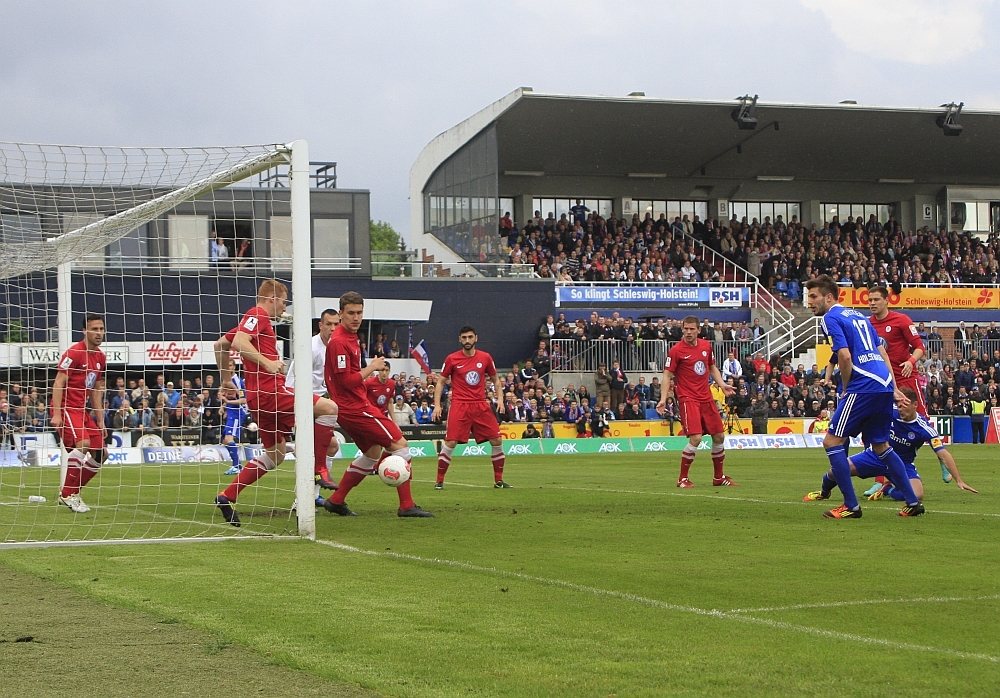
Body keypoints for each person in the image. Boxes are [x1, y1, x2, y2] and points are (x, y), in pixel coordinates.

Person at [214, 280, 340, 527]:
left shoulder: (254, 320)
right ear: (272, 298)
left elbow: (221, 345)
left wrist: (227, 379)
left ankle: (226, 496)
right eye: (283, 301)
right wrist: (267, 363)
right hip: (270, 392)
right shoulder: (258, 314)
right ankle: (319, 469)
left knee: (276, 455)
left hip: (257, 399)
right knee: (329, 408)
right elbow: (239, 342)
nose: (284, 307)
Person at [804, 275, 924, 519]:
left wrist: (847, 387)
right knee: (881, 445)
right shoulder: (858, 316)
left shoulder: (830, 318)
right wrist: (893, 386)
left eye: (814, 296)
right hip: (883, 382)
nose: (809, 302)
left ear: (829, 297)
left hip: (864, 385)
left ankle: (851, 506)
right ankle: (912, 502)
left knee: (832, 442)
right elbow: (882, 352)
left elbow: (845, 356)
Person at [322, 291, 432, 518]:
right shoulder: (340, 341)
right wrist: (372, 367)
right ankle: (407, 505)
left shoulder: (351, 337)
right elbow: (346, 381)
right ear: (341, 313)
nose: (356, 317)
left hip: (352, 406)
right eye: (351, 313)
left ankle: (336, 500)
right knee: (400, 445)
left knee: (372, 453)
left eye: (359, 313)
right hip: (354, 407)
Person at [804, 387, 977, 504]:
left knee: (917, 495)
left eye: (904, 406)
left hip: (903, 464)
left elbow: (943, 454)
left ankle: (887, 490)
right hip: (875, 457)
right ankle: (824, 493)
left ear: (915, 405)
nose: (900, 409)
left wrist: (959, 480)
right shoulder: (890, 413)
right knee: (836, 471)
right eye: (898, 405)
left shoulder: (924, 428)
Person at [657, 316, 737, 487]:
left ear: (698, 330)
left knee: (719, 435)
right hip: (688, 399)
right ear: (682, 329)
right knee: (696, 438)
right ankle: (682, 479)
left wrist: (722, 385)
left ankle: (719, 477)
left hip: (706, 397)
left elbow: (711, 367)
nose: (688, 332)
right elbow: (667, 375)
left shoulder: (706, 346)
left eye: (692, 329)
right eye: (685, 329)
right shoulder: (676, 351)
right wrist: (663, 399)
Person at [433, 325, 509, 489]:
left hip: (480, 404)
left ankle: (499, 481)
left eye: (470, 337)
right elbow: (440, 382)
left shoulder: (485, 357)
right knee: (451, 442)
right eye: (464, 337)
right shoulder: (452, 359)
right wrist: (437, 405)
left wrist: (500, 400)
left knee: (496, 440)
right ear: (460, 339)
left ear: (476, 338)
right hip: (460, 405)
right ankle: (439, 481)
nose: (467, 340)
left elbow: (496, 379)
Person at [50, 314, 108, 514]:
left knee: (102, 453)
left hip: (81, 410)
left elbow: (95, 390)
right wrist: (57, 414)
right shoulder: (74, 353)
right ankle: (67, 494)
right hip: (66, 407)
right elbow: (58, 382)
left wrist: (100, 419)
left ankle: (72, 492)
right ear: (84, 331)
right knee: (82, 444)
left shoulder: (100, 357)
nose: (99, 333)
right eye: (94, 329)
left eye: (101, 329)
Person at [283, 308, 343, 495]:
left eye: (336, 324)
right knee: (308, 452)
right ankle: (301, 499)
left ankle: (314, 496)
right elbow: (291, 383)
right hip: (300, 400)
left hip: (319, 404)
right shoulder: (311, 347)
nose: (333, 328)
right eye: (329, 324)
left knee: (332, 446)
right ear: (320, 325)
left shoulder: (335, 347)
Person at [219, 383, 248, 475]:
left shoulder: (237, 382)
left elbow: (243, 400)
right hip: (231, 414)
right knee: (224, 440)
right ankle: (238, 465)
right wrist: (223, 406)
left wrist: (227, 401)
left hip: (236, 415)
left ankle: (236, 467)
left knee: (229, 439)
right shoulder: (228, 383)